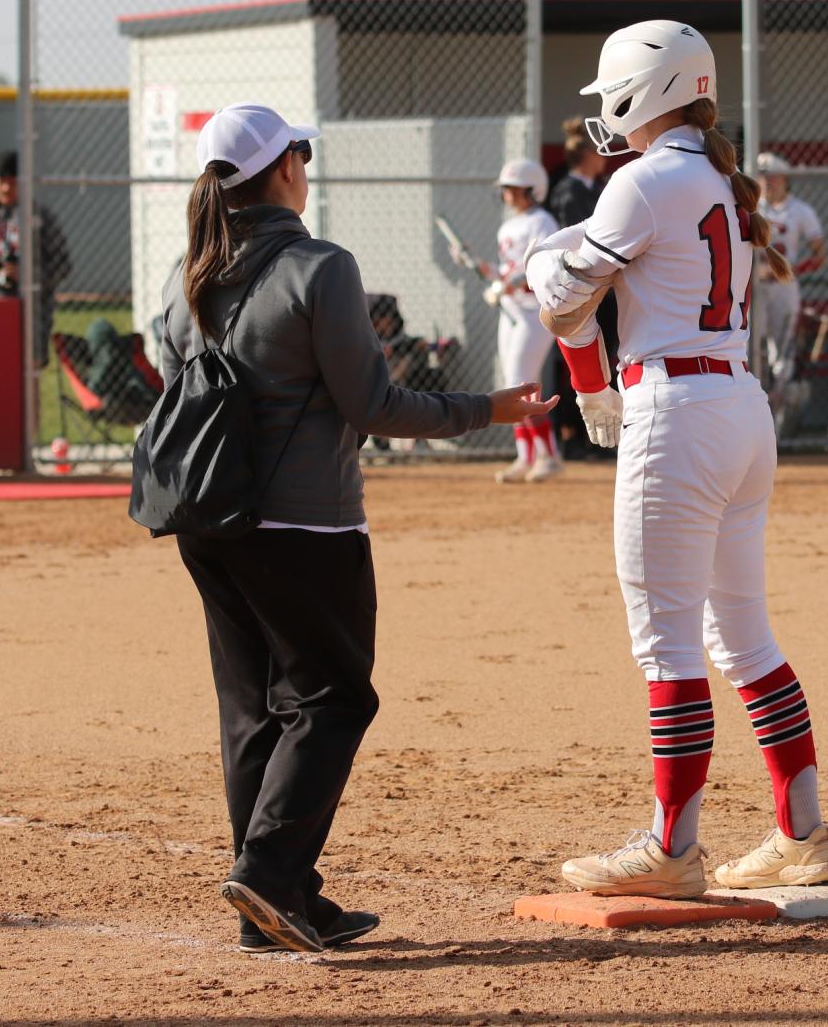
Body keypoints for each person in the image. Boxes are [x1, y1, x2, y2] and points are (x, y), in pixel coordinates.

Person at [157, 104, 554, 953]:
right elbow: (374, 405)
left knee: (254, 711)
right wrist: (488, 407)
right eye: (299, 151)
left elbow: (173, 384)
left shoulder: (185, 270)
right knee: (333, 698)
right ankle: (267, 873)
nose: (306, 163)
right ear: (284, 170)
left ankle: (277, 904)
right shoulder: (317, 266)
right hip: (305, 524)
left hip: (205, 518)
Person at [529, 19, 828, 896]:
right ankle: (802, 833)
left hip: (674, 410)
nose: (607, 116)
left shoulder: (644, 180)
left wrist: (545, 279)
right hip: (736, 406)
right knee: (743, 635)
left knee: (668, 643)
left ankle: (672, 849)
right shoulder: (715, 176)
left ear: (644, 93)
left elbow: (564, 300)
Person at [478, 158, 564, 482]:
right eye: (506, 188)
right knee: (511, 384)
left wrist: (514, 281)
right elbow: (506, 269)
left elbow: (546, 264)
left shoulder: (542, 221)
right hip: (511, 311)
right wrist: (487, 270)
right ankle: (525, 457)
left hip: (534, 310)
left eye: (513, 188)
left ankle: (549, 455)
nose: (508, 193)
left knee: (521, 380)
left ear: (532, 189)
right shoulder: (506, 227)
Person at [544, 123, 619, 459]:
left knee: (609, 356)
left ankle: (604, 436)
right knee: (575, 363)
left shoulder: (599, 187)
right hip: (578, 290)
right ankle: (572, 436)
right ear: (586, 155)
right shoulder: (567, 191)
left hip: (607, 289)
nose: (604, 156)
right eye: (598, 151)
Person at [0, 150, 70, 365]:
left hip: (32, 305)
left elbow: (62, 264)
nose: (7, 188)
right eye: (1, 181)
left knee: (30, 363)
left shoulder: (39, 216)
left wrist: (27, 274)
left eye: (12, 181)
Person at [753, 151, 827, 416]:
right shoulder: (749, 207)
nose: (766, 182)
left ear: (784, 178)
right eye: (762, 176)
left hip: (784, 288)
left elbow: (820, 255)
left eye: (771, 177)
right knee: (752, 346)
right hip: (754, 288)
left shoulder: (800, 210)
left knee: (783, 352)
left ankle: (779, 417)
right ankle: (755, 410)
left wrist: (789, 271)